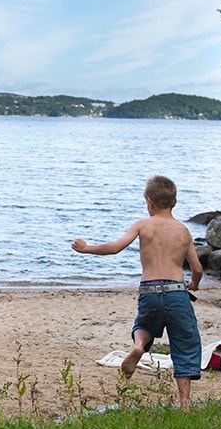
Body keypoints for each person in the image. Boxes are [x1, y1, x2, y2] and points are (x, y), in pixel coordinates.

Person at [71, 175, 203, 410]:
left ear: (149, 201)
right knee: (185, 342)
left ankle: (139, 346)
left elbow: (115, 248)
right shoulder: (183, 231)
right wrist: (194, 283)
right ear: (174, 202)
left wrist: (86, 248)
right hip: (176, 291)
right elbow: (198, 269)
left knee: (144, 324)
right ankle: (185, 404)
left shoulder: (142, 225)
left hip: (149, 290)